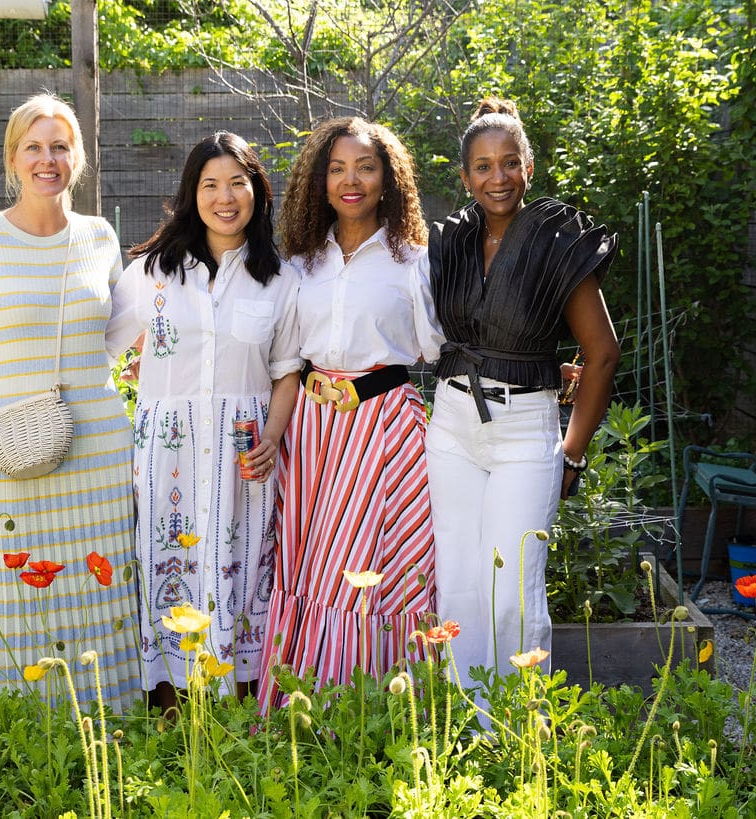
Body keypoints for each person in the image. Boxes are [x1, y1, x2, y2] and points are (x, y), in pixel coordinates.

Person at [0, 92, 142, 713]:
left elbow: (122, 331)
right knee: (13, 581)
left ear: (77, 158)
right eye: (34, 146)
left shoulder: (100, 236)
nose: (47, 159)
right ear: (13, 157)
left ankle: (112, 717)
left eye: (60, 146)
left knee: (101, 583)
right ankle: (20, 723)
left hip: (101, 446)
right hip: (10, 447)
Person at [424, 97, 620, 689]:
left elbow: (603, 352)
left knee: (511, 591)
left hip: (524, 430)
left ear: (528, 167)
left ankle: (518, 730)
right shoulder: (449, 242)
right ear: (464, 177)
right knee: (457, 583)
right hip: (453, 423)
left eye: (509, 163)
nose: (497, 177)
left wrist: (574, 451)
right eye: (482, 166)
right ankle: (466, 720)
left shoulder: (558, 241)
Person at [105, 131, 301, 711]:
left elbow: (288, 370)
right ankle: (169, 712)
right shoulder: (151, 275)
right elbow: (102, 351)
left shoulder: (280, 279)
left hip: (248, 456)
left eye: (237, 183)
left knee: (245, 570)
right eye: (210, 184)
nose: (225, 197)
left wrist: (271, 437)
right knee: (169, 565)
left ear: (257, 192)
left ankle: (242, 710)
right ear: (192, 194)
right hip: (169, 457)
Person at [258, 117, 443, 710]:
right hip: (312, 435)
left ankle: (377, 709)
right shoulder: (299, 265)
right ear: (321, 181)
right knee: (310, 566)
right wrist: (273, 436)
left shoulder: (414, 261)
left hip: (385, 428)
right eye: (337, 168)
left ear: (389, 179)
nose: (351, 180)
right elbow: (286, 361)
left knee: (375, 569)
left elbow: (439, 349)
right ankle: (300, 706)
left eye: (365, 167)